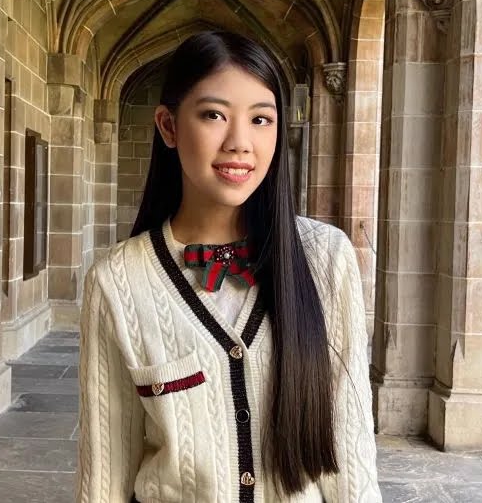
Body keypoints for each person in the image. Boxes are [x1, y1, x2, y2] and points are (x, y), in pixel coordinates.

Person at [75, 30, 381, 503]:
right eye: (214, 115)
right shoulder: (117, 281)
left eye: (261, 119)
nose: (240, 143)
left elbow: (350, 449)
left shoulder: (326, 258)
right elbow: (104, 474)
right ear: (169, 127)